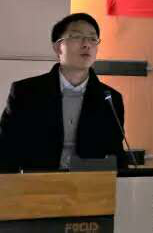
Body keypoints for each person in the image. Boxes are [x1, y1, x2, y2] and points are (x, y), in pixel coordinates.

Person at [0, 13, 126, 173]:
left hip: (89, 185)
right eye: (77, 37)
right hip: (36, 184)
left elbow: (116, 156)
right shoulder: (26, 93)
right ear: (58, 47)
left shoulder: (110, 98)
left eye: (93, 39)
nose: (86, 44)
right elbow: (5, 149)